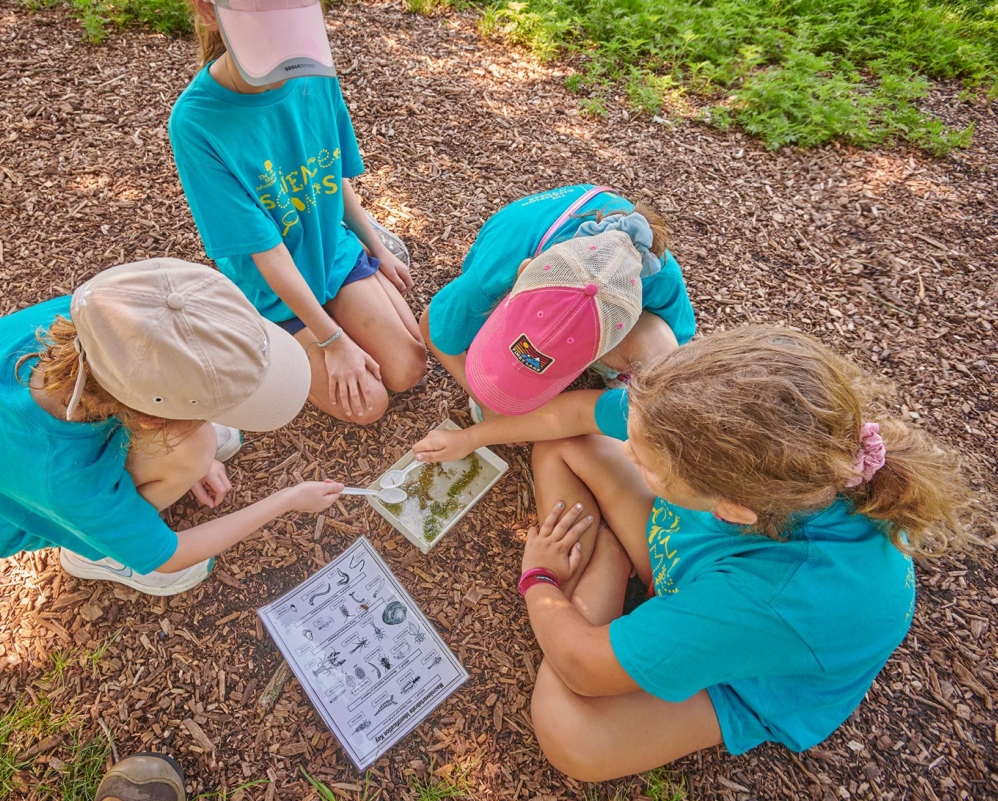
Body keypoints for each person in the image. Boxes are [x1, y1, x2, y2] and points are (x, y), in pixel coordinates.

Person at [482, 326, 972, 780]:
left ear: (732, 509)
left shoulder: (774, 599)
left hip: (752, 671)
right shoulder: (794, 451)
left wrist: (541, 580)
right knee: (564, 447)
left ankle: (611, 566)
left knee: (570, 733)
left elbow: (584, 673)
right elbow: (582, 422)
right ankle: (622, 576)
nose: (629, 454)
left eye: (648, 463)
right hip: (726, 568)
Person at [0, 258, 344, 597]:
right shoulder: (62, 480)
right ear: (150, 420)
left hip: (27, 436)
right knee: (195, 450)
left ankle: (168, 466)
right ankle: (100, 554)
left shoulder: (101, 318)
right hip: (22, 514)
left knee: (197, 448)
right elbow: (171, 556)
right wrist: (287, 500)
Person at [168, 0, 427, 425]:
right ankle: (259, 333)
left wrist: (376, 247)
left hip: (330, 252)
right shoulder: (195, 123)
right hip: (272, 288)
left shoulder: (314, 72)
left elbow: (332, 172)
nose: (283, 59)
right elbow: (266, 253)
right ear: (207, 11)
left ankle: (359, 266)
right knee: (368, 406)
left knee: (409, 370)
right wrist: (332, 340)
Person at [421, 184, 695, 421]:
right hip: (521, 230)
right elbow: (431, 324)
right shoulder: (488, 281)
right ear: (523, 273)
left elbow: (676, 345)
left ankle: (612, 369)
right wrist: (483, 398)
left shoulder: (660, 276)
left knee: (659, 353)